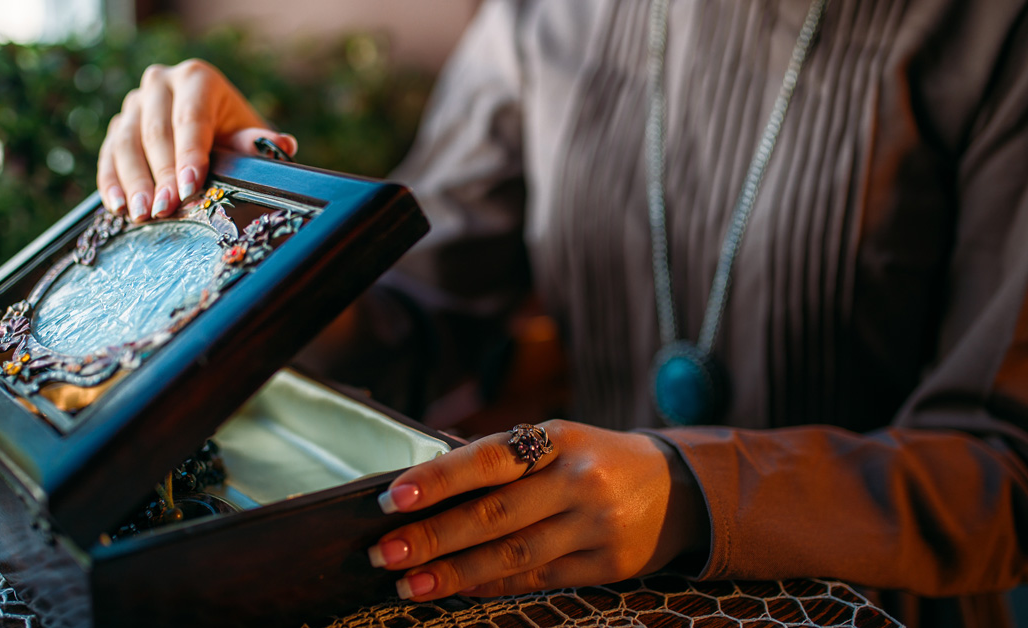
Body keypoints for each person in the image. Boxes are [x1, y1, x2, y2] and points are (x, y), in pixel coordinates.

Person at [97, 1, 1028, 626]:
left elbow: (1004, 471)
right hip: (602, 606)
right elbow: (416, 316)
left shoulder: (992, 32)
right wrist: (244, 224)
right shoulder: (545, 17)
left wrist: (690, 489)